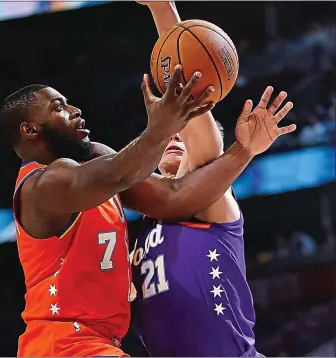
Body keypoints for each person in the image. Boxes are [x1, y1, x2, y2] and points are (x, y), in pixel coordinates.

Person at [0, 16, 294, 358]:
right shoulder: (45, 184)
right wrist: (160, 129)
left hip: (102, 344)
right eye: (59, 108)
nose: (77, 111)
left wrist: (243, 151)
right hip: (64, 343)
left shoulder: (132, 193)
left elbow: (173, 196)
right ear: (30, 131)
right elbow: (121, 173)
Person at [130, 1, 295, 356]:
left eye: (182, 133)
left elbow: (199, 128)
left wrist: (162, 10)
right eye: (166, 135)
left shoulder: (205, 197)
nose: (174, 137)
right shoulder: (144, 220)